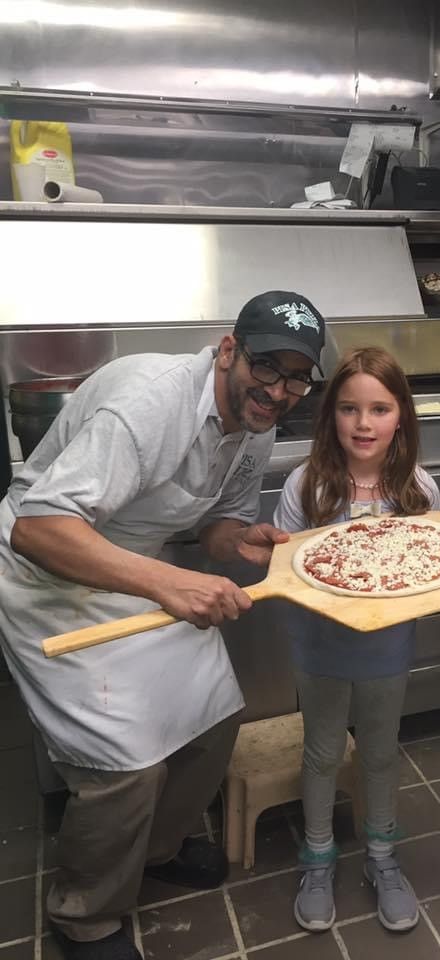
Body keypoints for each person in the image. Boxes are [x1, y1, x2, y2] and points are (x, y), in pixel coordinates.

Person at [0, 290, 325, 960]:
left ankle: (156, 851)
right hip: (45, 580)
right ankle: (84, 914)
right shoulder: (150, 401)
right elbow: (39, 529)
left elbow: (215, 526)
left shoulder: (257, 427)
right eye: (267, 366)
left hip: (134, 570)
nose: (279, 390)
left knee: (214, 718)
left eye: (297, 376)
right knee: (125, 763)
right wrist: (168, 583)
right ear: (229, 349)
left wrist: (239, 543)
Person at [274, 347, 440, 933]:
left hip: (387, 651)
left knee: (379, 752)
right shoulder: (306, 485)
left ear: (401, 416)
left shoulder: (418, 489)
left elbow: (427, 576)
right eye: (348, 409)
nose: (363, 424)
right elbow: (287, 572)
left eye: (378, 409)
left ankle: (382, 858)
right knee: (321, 753)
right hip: (319, 651)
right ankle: (317, 859)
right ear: (330, 416)